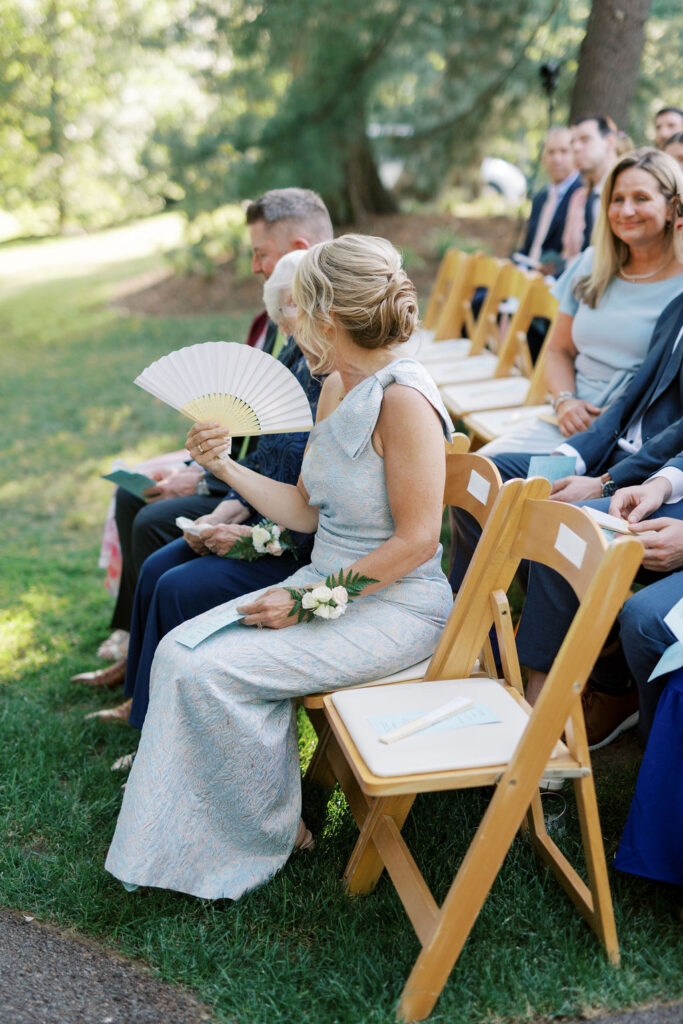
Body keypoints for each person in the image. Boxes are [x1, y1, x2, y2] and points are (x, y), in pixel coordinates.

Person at [104, 234, 455, 899]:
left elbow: (414, 542)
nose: (288, 324)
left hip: (396, 606)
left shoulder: (404, 399)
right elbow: (304, 510)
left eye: (299, 309)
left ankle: (265, 829)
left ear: (330, 315)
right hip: (328, 583)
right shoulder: (336, 387)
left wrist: (305, 602)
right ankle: (246, 821)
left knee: (212, 670)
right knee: (181, 651)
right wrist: (222, 467)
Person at [81, 187, 334, 682]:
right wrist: (208, 483)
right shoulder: (278, 331)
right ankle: (137, 661)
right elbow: (254, 431)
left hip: (279, 519)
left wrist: (215, 490)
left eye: (261, 255)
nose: (256, 267)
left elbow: (310, 483)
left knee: (156, 536)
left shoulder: (330, 369)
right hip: (248, 489)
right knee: (141, 510)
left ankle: (146, 673)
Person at [478, 147, 683, 457]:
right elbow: (559, 349)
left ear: (671, 208)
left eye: (641, 198)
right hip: (567, 421)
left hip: (631, 437)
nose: (626, 211)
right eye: (617, 199)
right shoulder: (591, 263)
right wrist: (565, 401)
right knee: (474, 478)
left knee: (530, 493)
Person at [515, 127, 581, 277]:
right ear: (544, 157)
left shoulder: (581, 195)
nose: (557, 159)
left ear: (575, 156)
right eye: (551, 152)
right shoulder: (540, 198)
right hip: (525, 275)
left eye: (564, 152)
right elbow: (529, 246)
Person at [561, 115, 617, 263]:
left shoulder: (625, 192)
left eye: (585, 140)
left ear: (609, 142)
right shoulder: (580, 198)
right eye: (573, 142)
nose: (576, 148)